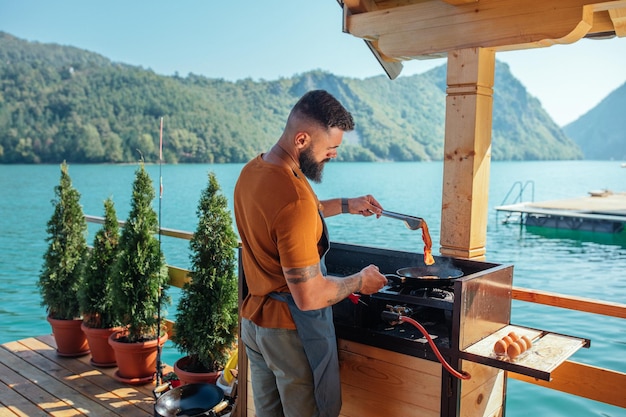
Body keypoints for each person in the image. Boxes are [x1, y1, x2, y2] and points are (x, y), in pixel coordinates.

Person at [234, 90, 388, 417]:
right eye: (330, 148)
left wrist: (348, 205)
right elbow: (309, 295)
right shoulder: (294, 199)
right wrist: (360, 281)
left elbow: (296, 215)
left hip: (254, 326)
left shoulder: (255, 170)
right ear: (302, 139)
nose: (333, 155)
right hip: (292, 335)